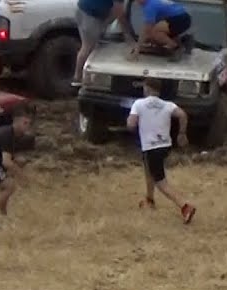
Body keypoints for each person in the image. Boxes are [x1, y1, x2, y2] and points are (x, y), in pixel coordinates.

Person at [128, 78, 197, 223]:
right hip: (165, 145)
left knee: (161, 182)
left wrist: (130, 125)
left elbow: (131, 123)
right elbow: (182, 115)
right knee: (149, 168)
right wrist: (182, 133)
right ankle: (149, 200)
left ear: (146, 88)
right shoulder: (167, 105)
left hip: (151, 146)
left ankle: (185, 206)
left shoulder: (138, 104)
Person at [73, 0, 125, 88]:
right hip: (91, 15)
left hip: (82, 9)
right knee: (89, 48)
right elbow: (118, 11)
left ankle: (84, 78)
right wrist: (107, 23)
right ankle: (79, 78)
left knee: (88, 46)